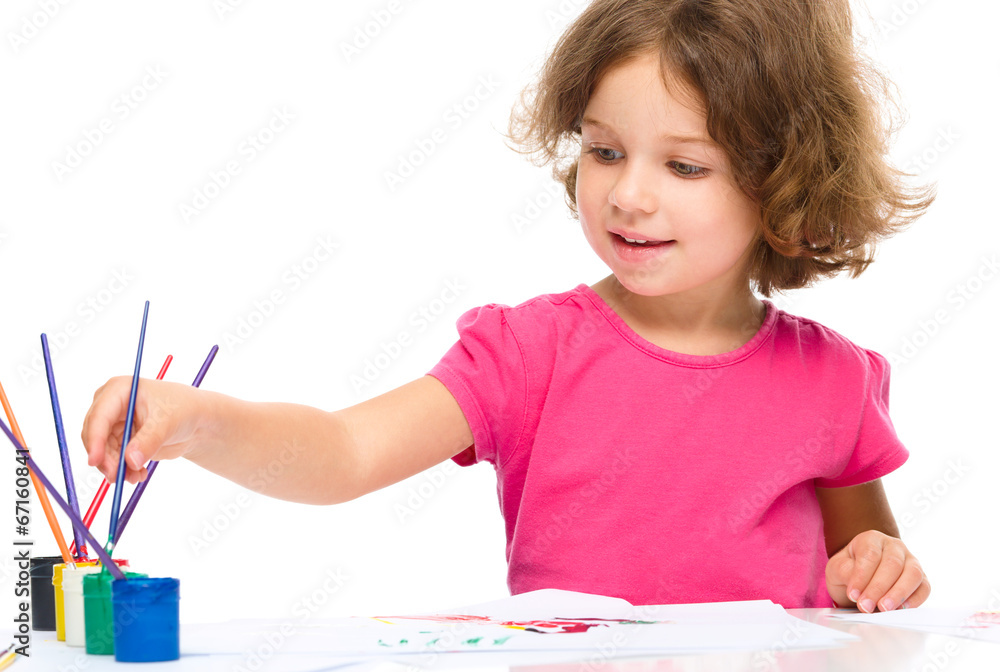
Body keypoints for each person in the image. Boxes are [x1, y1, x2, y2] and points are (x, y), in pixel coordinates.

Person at [82, 0, 933, 611]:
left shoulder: (833, 381)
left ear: (786, 181)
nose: (628, 195)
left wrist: (881, 569)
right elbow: (345, 452)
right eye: (605, 151)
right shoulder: (529, 353)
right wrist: (201, 423)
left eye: (684, 166)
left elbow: (865, 571)